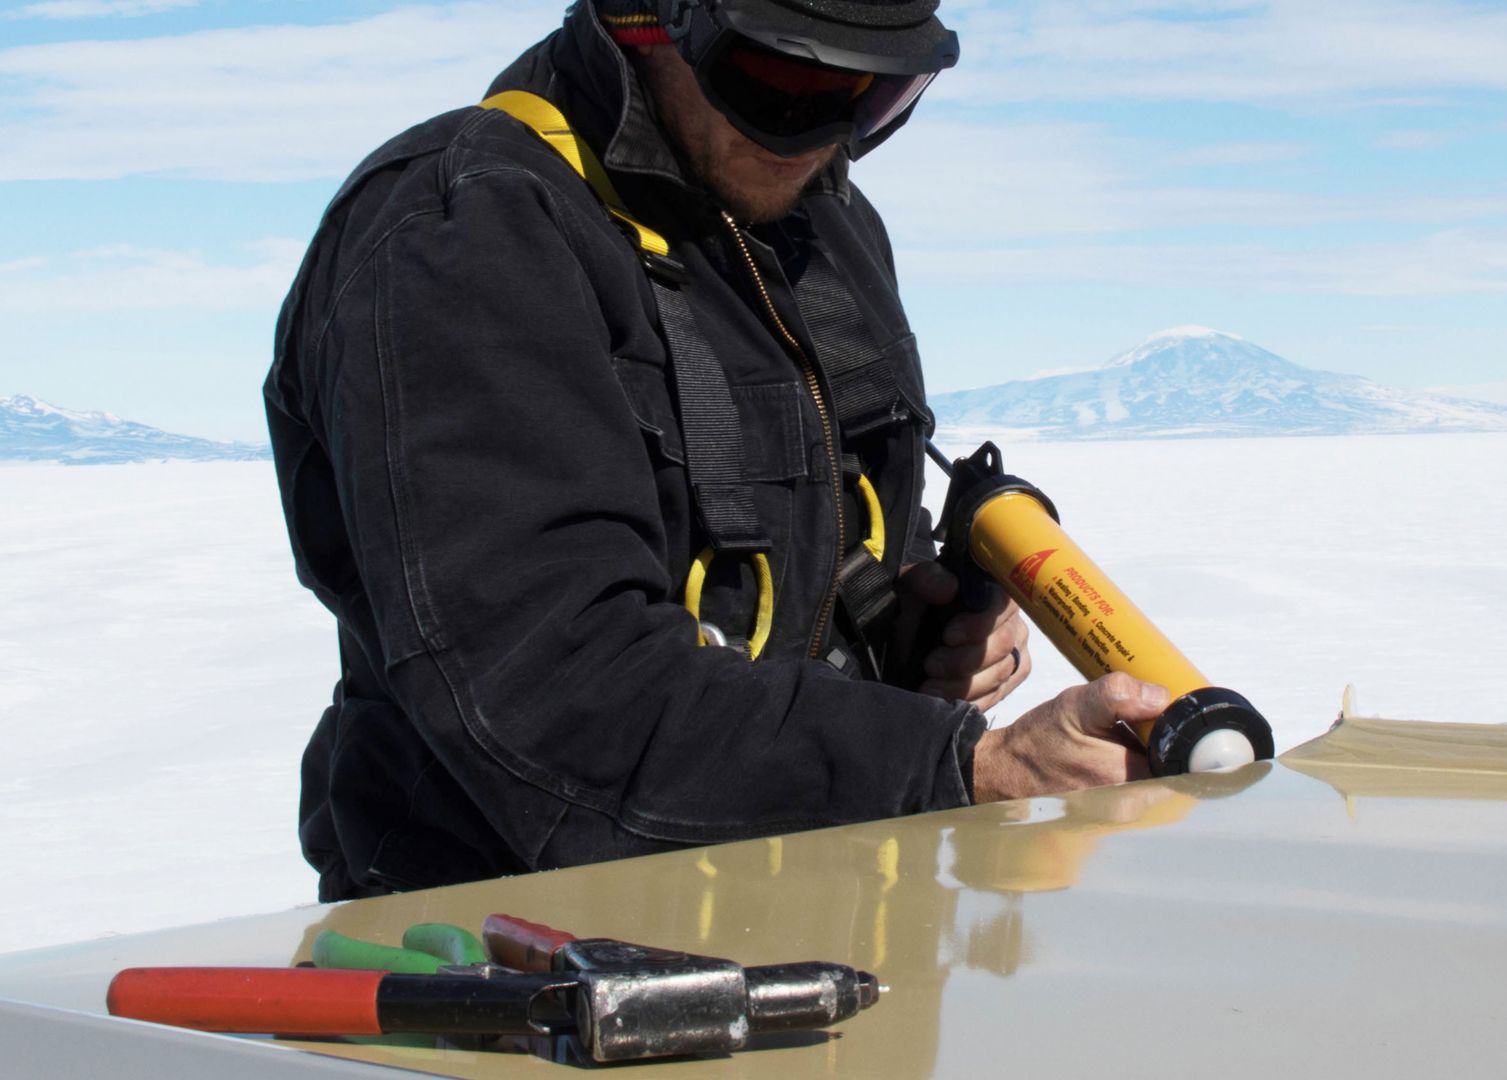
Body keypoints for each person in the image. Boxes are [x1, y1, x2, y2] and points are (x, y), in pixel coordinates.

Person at [265, 0, 1166, 902]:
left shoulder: (819, 229)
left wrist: (915, 632)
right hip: (514, 957)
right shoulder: (465, 234)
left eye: (877, 93)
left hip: (828, 915)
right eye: (782, 80)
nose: (824, 131)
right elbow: (553, 692)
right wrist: (962, 765)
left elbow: (808, 569)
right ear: (645, 19)